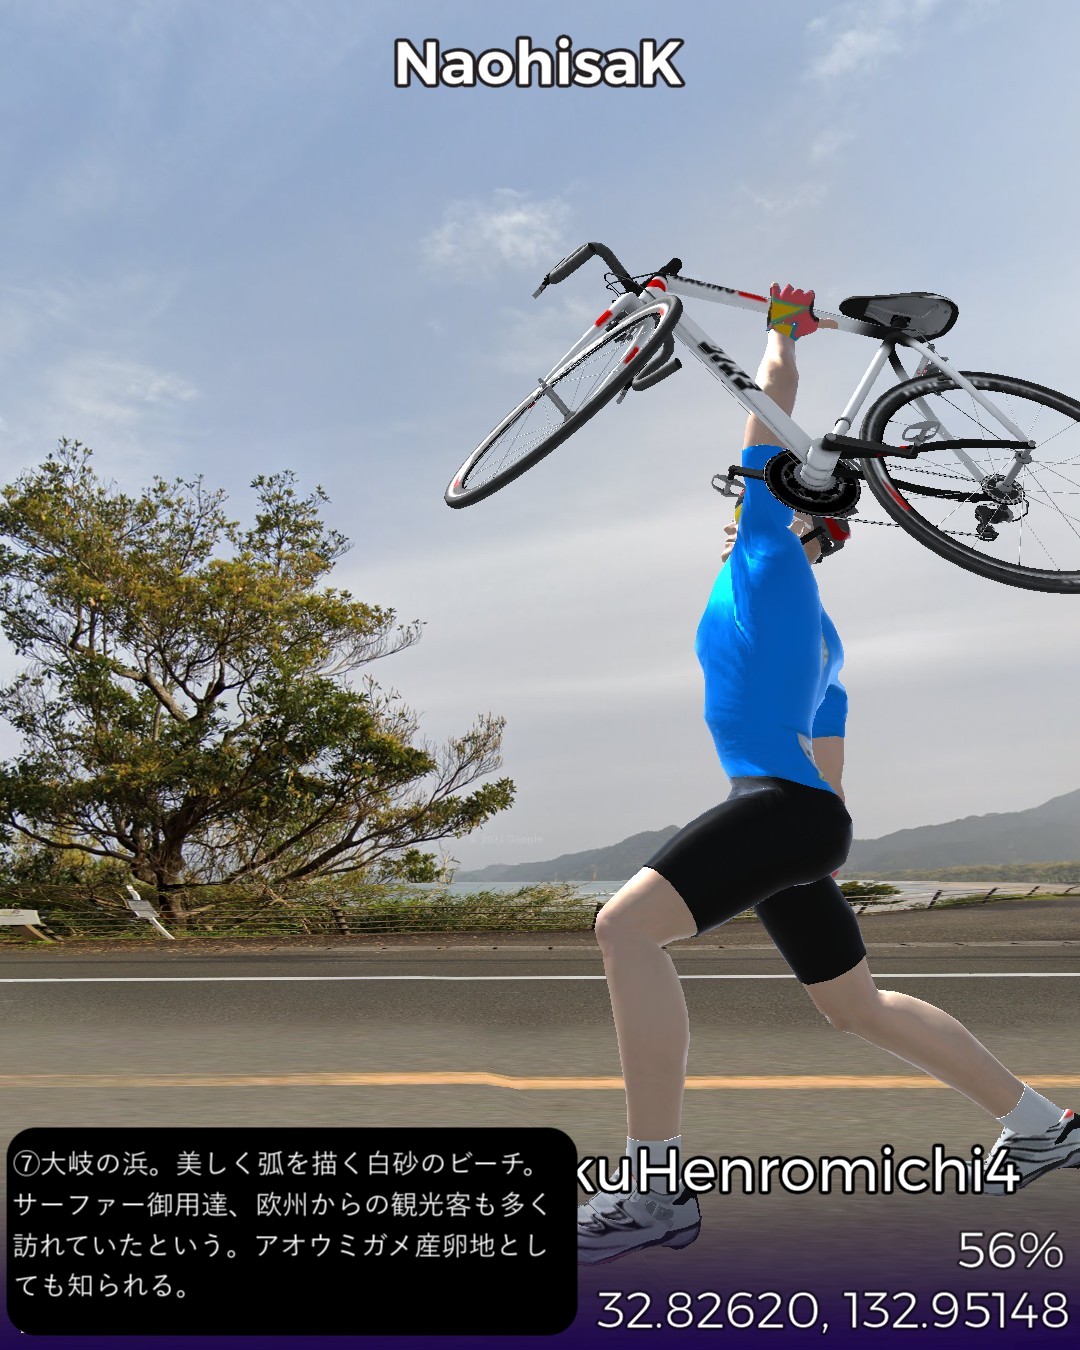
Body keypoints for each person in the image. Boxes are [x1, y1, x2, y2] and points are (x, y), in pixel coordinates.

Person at [577, 283, 1079, 1266]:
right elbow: (832, 776)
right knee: (854, 1006)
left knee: (623, 930)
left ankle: (654, 1192)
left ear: (799, 521)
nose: (736, 511)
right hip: (801, 818)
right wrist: (810, 857)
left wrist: (781, 334)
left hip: (780, 809)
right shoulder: (826, 644)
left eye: (756, 502)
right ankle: (1039, 1125)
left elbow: (766, 408)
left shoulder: (770, 555)